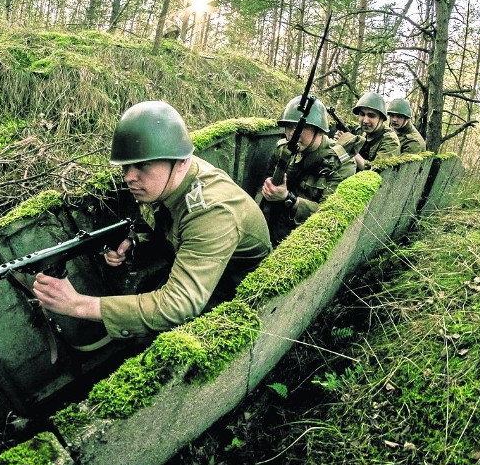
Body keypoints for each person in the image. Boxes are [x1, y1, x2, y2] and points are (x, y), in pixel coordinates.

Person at [32, 100, 272, 345]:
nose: (128, 177)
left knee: (159, 343)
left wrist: (78, 305)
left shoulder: (211, 211)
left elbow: (177, 306)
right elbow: (161, 223)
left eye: (141, 166)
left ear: (181, 163)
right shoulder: (165, 181)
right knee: (140, 305)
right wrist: (133, 240)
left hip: (238, 287)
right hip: (196, 267)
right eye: (125, 167)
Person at [259, 95, 356, 245]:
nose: (292, 133)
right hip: (271, 229)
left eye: (301, 127)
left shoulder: (341, 164)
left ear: (319, 131)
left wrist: (288, 198)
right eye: (289, 126)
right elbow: (262, 188)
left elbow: (329, 216)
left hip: (307, 239)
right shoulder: (283, 150)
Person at [347, 91, 400, 170]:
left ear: (381, 119)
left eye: (371, 115)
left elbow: (376, 172)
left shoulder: (390, 141)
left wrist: (352, 152)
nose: (365, 120)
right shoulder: (361, 131)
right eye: (362, 114)